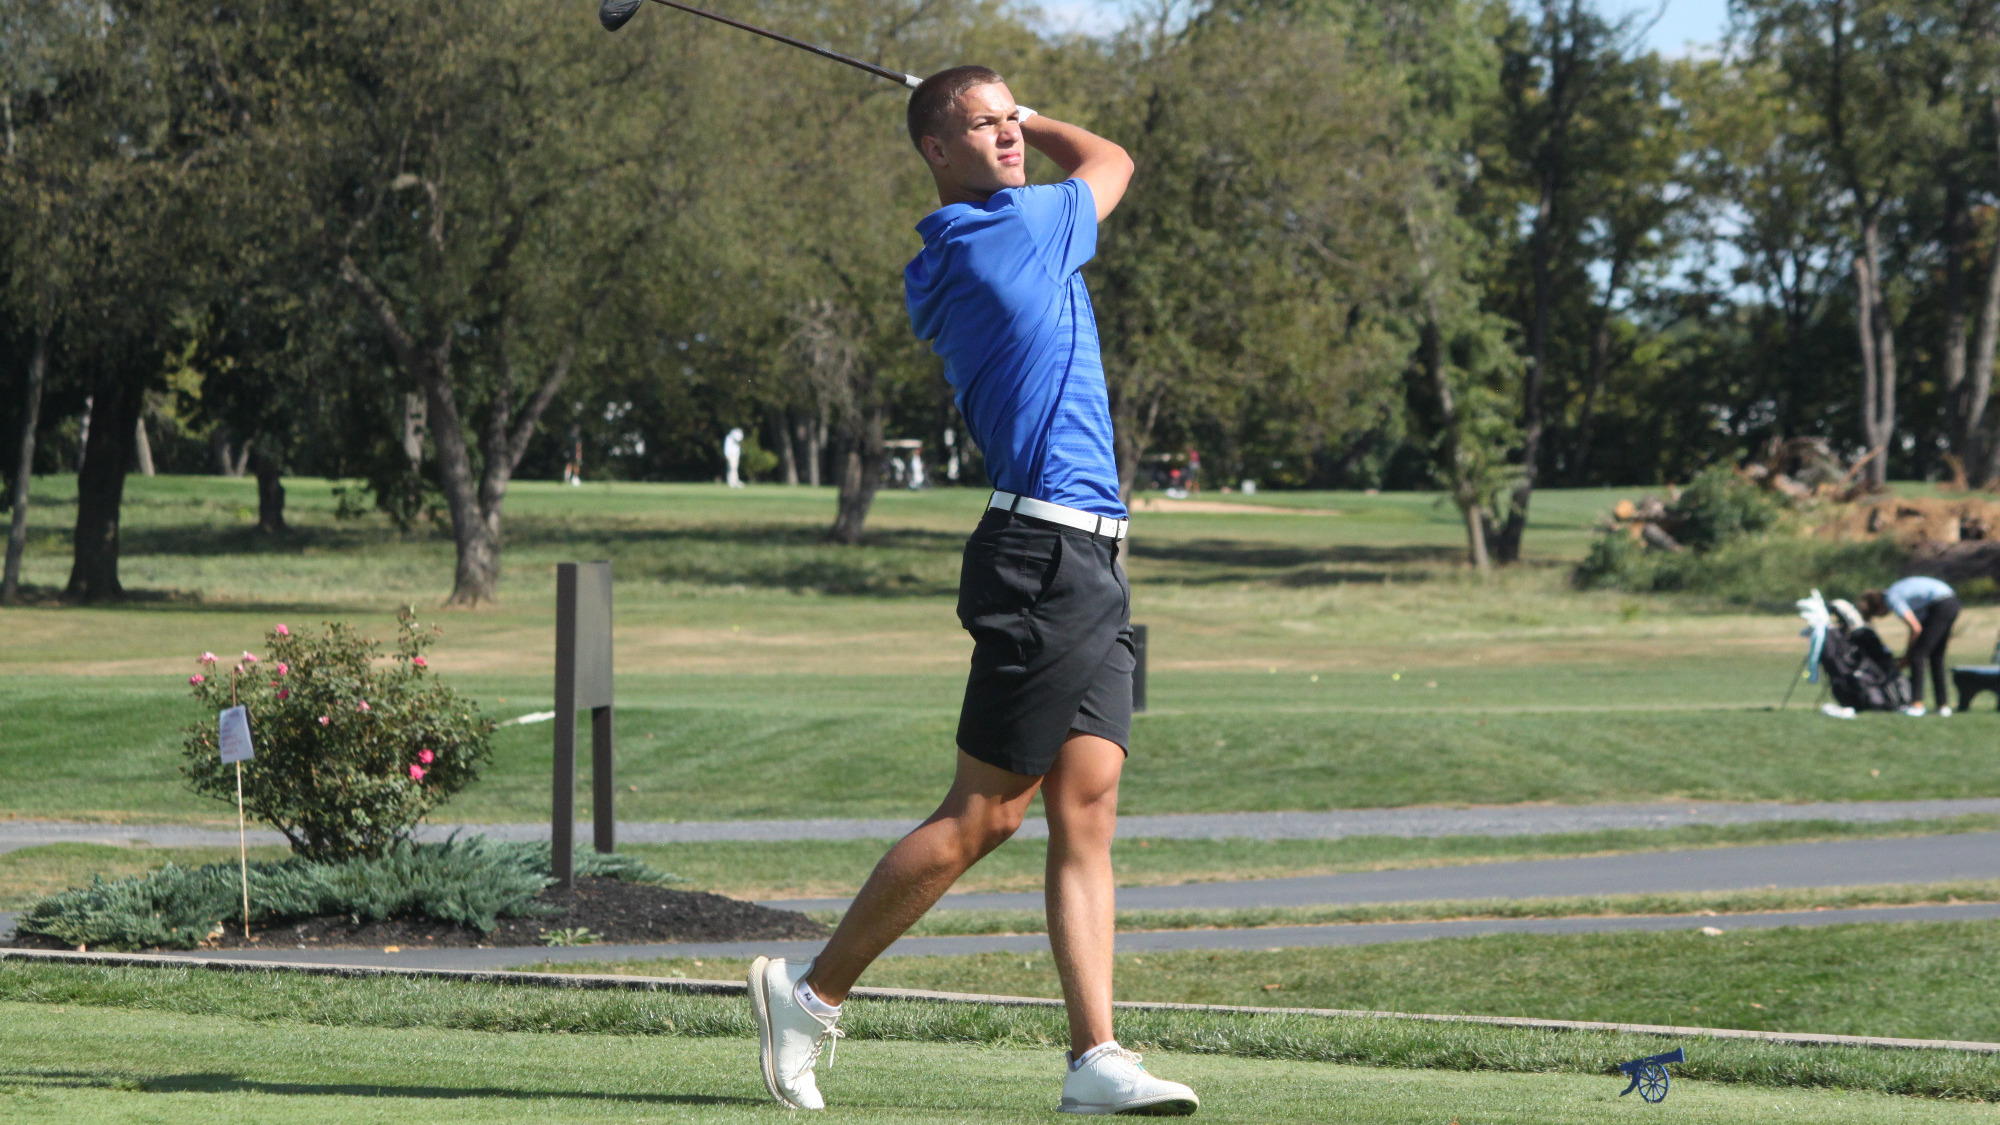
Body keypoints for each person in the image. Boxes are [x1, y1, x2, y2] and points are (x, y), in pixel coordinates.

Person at [745, 66, 1198, 1116]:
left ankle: (1095, 1060)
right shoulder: (1015, 230)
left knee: (1083, 807)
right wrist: (1039, 118)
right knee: (986, 812)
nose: (1006, 138)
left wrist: (993, 112)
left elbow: (1072, 169)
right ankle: (809, 1000)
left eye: (1010, 122)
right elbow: (1113, 160)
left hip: (1080, 562)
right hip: (1045, 557)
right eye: (982, 126)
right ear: (935, 153)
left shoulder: (955, 251)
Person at [1860, 577, 1960, 717]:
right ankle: (1942, 706)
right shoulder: (1898, 591)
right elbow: (1918, 628)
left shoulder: (1891, 598)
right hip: (1951, 602)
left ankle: (1916, 704)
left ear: (1878, 606)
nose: (1882, 616)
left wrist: (1908, 656)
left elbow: (1915, 628)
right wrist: (1910, 651)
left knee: (1917, 657)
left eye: (1878, 615)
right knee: (1936, 656)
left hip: (1940, 605)